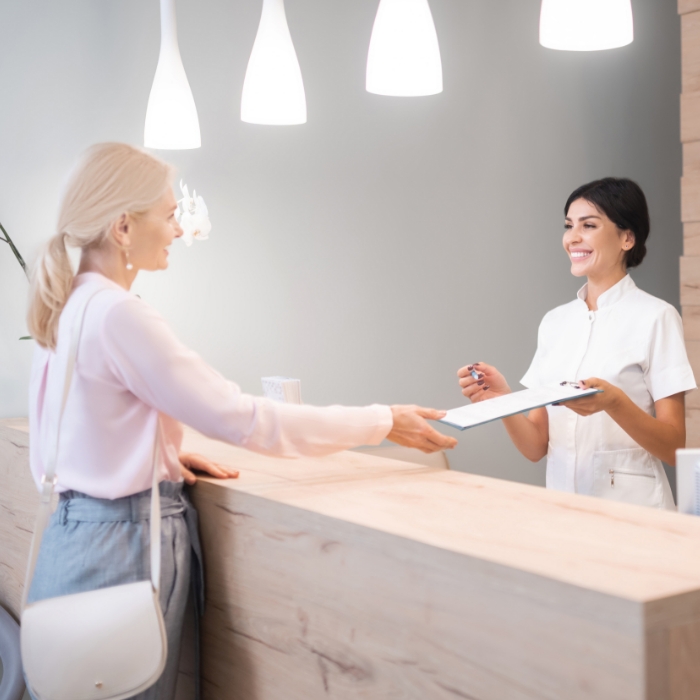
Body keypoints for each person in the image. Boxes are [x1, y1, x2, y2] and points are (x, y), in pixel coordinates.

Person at [25, 142, 457, 700]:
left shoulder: (70, 304)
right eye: (169, 214)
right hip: (120, 545)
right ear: (124, 227)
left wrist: (161, 455)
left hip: (77, 539)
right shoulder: (117, 313)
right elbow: (246, 421)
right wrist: (381, 420)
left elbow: (74, 430)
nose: (177, 230)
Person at [457, 177, 695, 509]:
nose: (573, 237)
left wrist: (614, 403)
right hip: (563, 511)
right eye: (569, 225)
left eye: (589, 225)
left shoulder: (657, 317)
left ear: (627, 237)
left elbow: (674, 447)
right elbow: (537, 447)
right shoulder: (554, 322)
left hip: (635, 512)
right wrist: (502, 400)